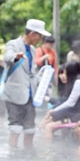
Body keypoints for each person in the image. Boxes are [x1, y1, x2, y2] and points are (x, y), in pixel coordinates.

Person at [2, 19, 51, 149]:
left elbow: (32, 73)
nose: (40, 38)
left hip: (30, 95)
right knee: (15, 128)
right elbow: (7, 57)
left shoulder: (33, 51)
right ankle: (13, 159)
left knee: (30, 129)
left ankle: (27, 156)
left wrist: (43, 83)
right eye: (39, 35)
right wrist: (16, 57)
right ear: (31, 33)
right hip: (14, 94)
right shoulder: (13, 44)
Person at [42, 61, 80, 139]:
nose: (63, 75)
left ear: (70, 72)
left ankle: (47, 149)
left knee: (49, 126)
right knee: (49, 118)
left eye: (65, 72)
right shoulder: (75, 81)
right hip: (76, 111)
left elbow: (70, 103)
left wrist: (54, 110)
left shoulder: (79, 82)